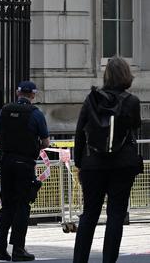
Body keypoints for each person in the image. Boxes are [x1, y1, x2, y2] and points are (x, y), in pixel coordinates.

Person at [73, 57, 142, 263]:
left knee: (89, 215)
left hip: (93, 164)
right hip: (123, 164)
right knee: (116, 215)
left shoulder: (91, 99)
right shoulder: (132, 101)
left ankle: (80, 260)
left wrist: (79, 162)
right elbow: (134, 127)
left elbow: (79, 133)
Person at [0, 80, 50, 262]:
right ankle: (18, 248)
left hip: (7, 162)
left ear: (18, 93)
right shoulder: (36, 114)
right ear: (33, 94)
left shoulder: (5, 110)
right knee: (23, 205)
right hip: (25, 164)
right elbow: (46, 142)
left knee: (7, 205)